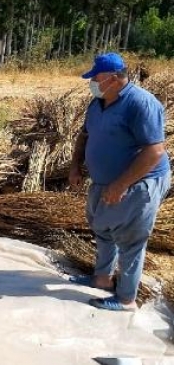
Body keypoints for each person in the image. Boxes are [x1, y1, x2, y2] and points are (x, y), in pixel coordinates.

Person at [69, 52, 171, 311]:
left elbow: (154, 151)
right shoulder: (97, 103)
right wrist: (75, 166)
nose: (92, 82)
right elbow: (84, 136)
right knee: (103, 229)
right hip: (104, 181)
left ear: (114, 79)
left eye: (96, 78)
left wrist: (122, 184)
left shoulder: (141, 104)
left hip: (139, 181)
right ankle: (102, 280)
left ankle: (126, 299)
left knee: (130, 238)